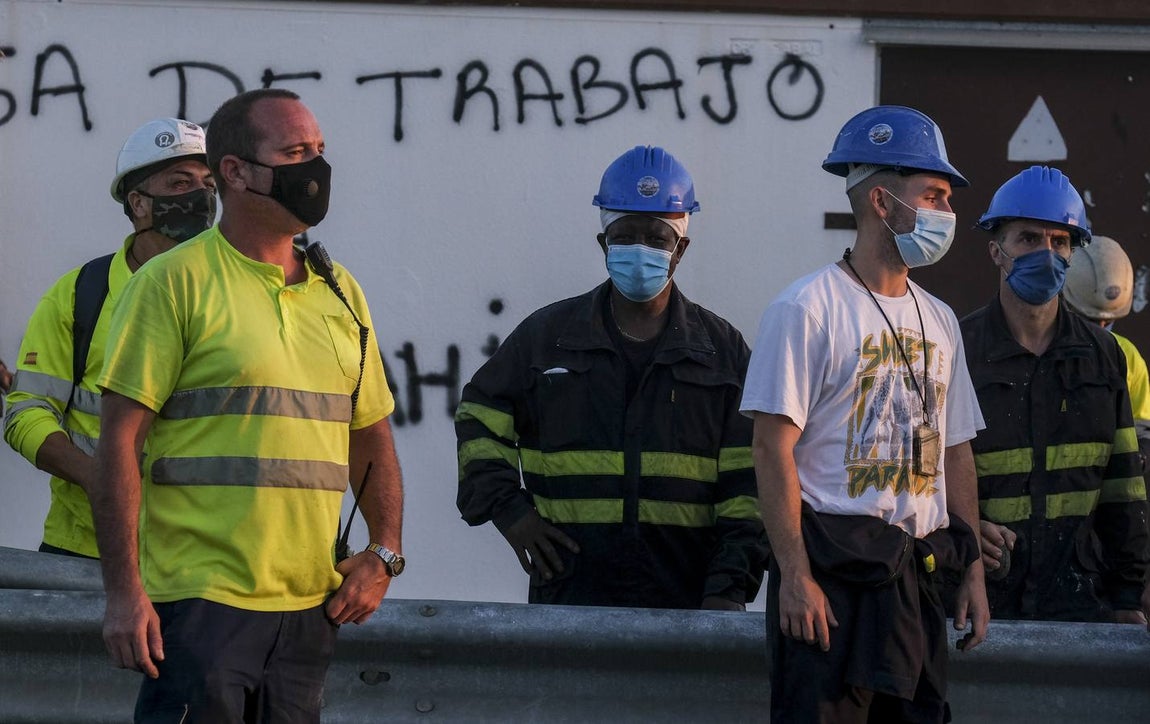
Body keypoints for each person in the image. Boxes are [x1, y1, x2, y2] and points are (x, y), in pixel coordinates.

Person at [90, 89, 405, 722]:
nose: (314, 170)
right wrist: (125, 594)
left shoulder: (340, 291)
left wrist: (386, 552)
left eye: (318, 151)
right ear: (233, 172)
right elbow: (118, 443)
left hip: (311, 610)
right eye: (293, 152)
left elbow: (369, 436)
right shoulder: (173, 282)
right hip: (200, 607)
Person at [740, 105, 989, 722]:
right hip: (832, 583)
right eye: (933, 196)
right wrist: (795, 576)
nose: (947, 214)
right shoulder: (806, 310)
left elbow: (955, 449)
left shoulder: (941, 319)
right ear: (882, 201)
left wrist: (974, 574)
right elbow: (772, 448)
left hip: (918, 582)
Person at [455, 145, 767, 610]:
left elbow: (751, 486)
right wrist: (510, 512)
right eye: (625, 236)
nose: (640, 249)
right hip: (569, 601)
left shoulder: (721, 353)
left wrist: (729, 587)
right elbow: (480, 415)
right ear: (604, 244)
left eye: (656, 237)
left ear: (680, 248)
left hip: (690, 603)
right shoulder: (546, 340)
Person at [4, 118, 215, 559]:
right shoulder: (80, 294)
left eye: (208, 183)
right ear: (138, 203)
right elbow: (26, 413)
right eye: (180, 182)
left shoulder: (236, 291)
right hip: (87, 548)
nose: (201, 196)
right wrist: (97, 478)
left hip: (204, 556)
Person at [959, 166, 1149, 625]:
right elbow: (924, 477)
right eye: (1028, 239)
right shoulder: (956, 350)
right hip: (980, 602)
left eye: (1059, 242)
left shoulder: (1104, 355)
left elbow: (1123, 486)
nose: (1046, 254)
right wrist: (960, 534)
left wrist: (1128, 598)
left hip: (1080, 601)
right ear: (996, 251)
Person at [1062, 234, 1150, 470]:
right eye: (1090, 320)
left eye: (1107, 322)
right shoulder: (1044, 348)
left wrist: (1139, 456)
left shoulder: (1127, 355)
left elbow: (1143, 429)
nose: (1100, 331)